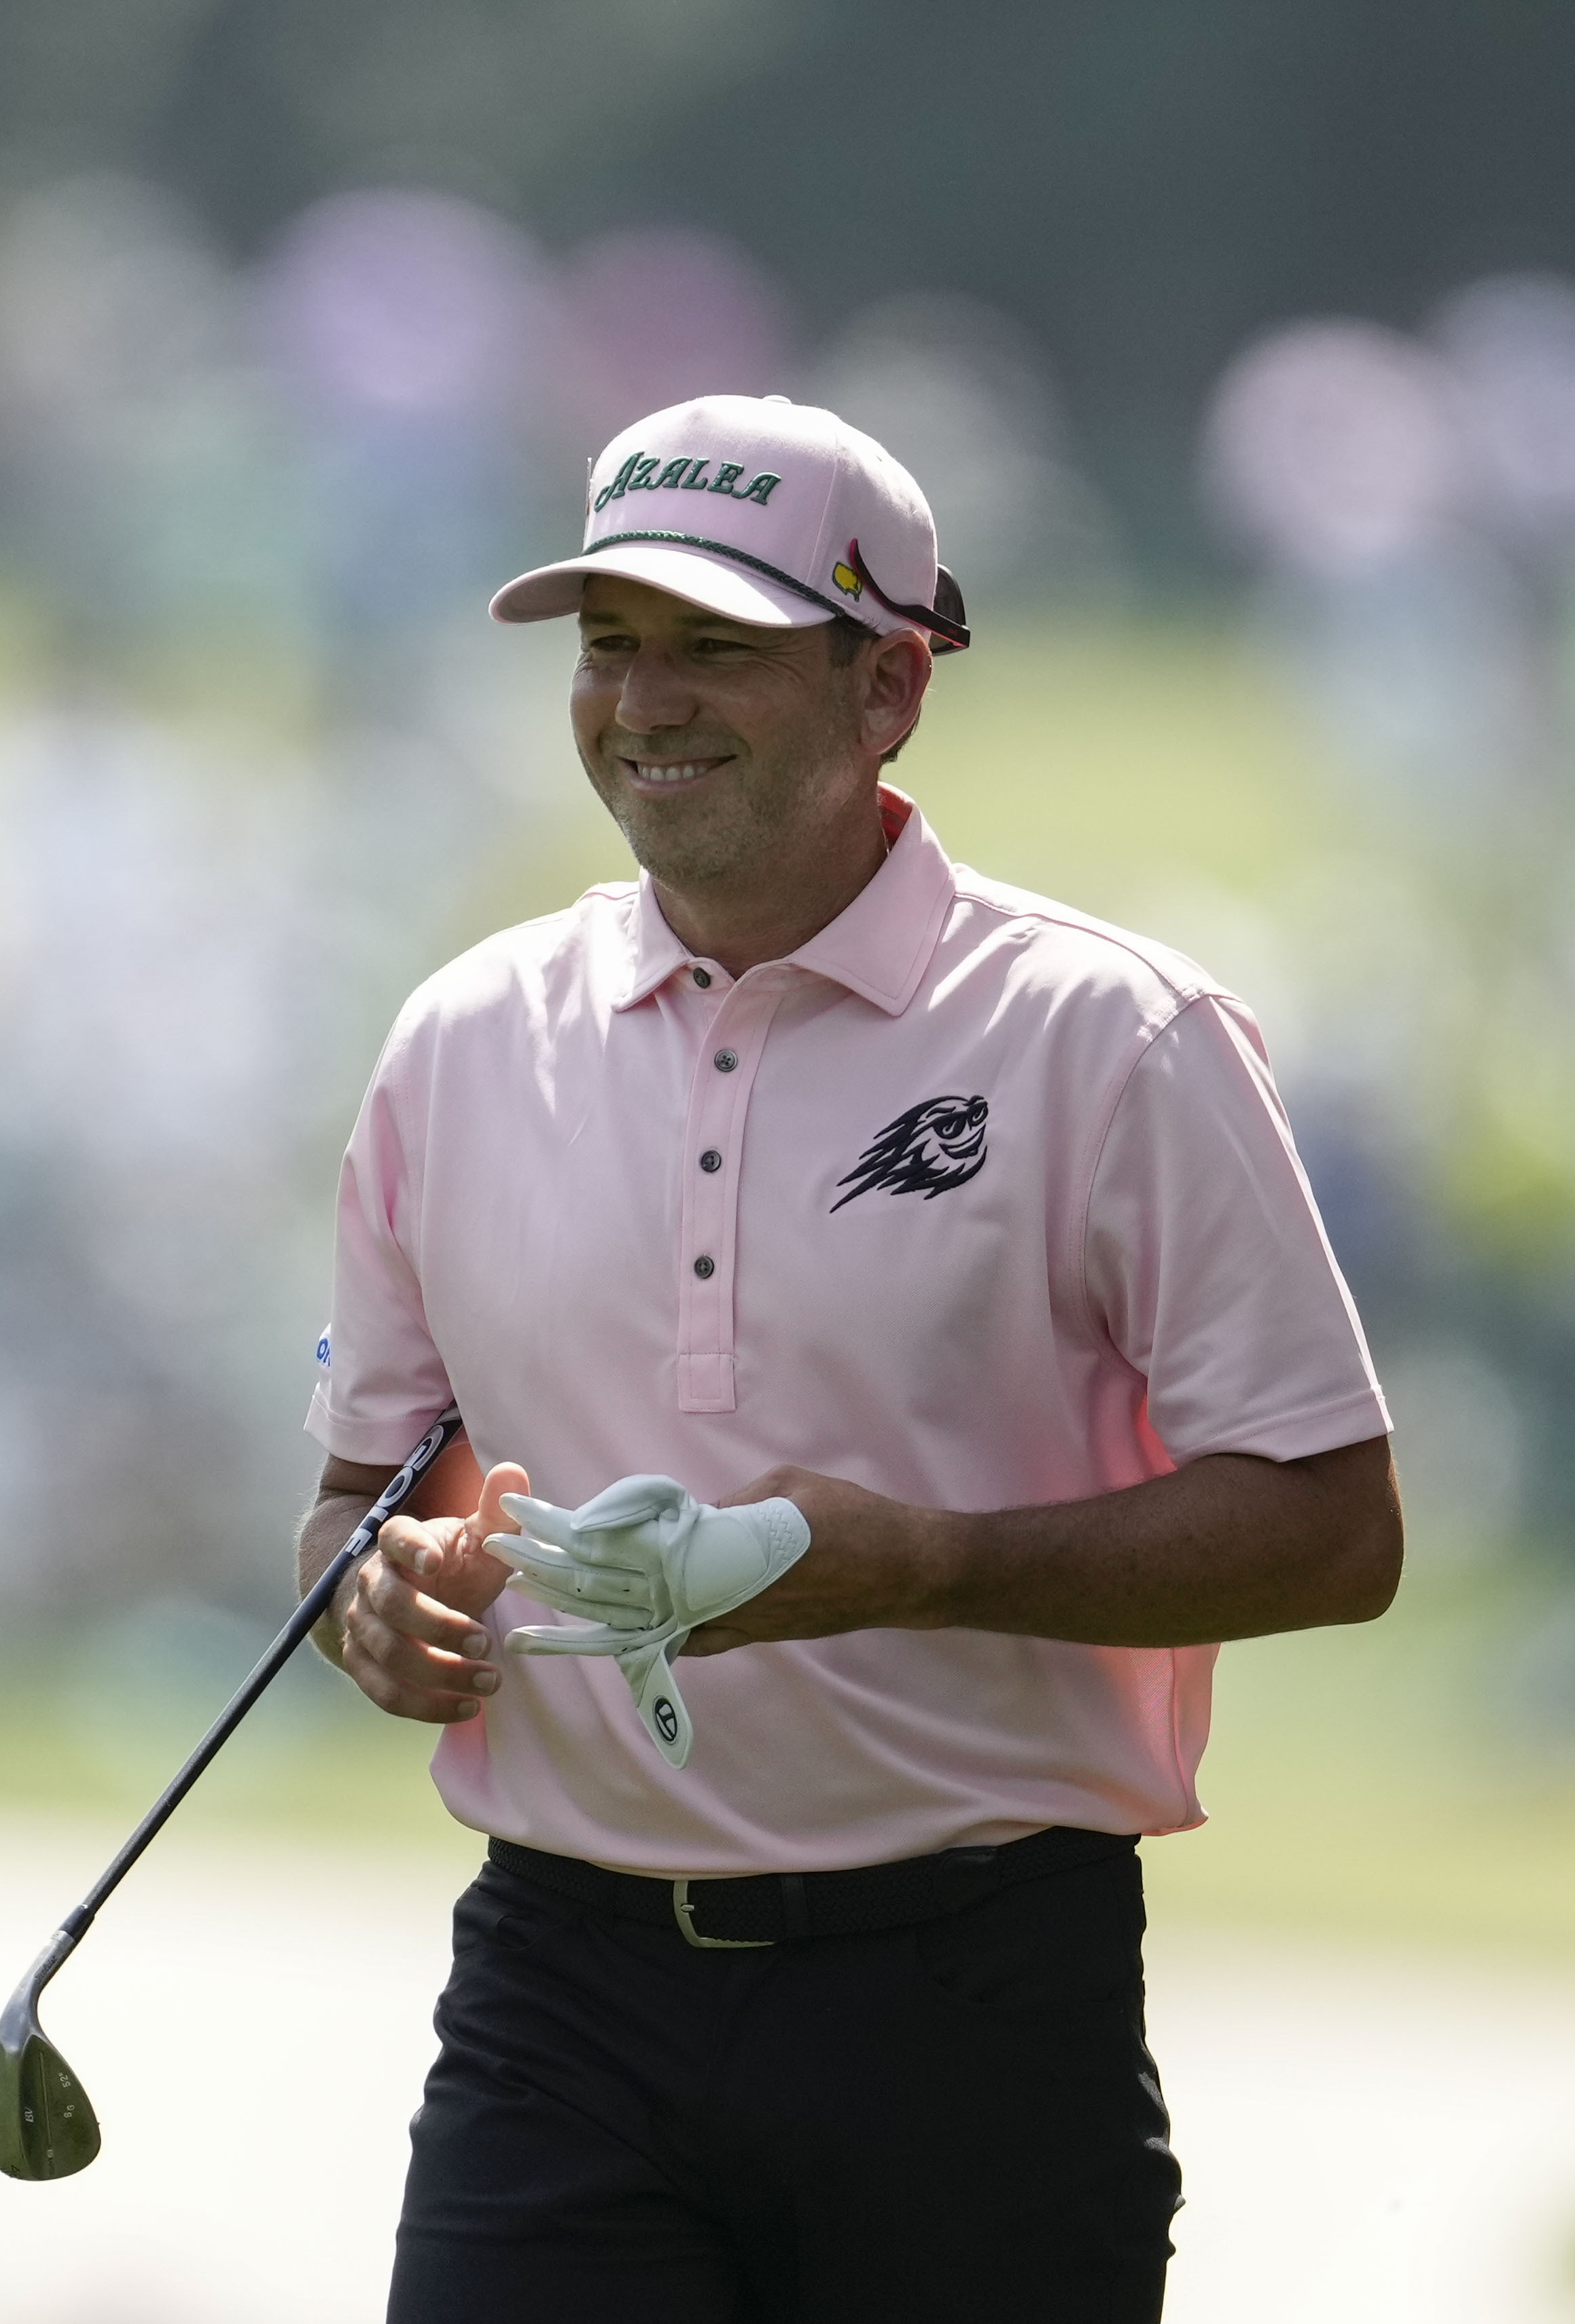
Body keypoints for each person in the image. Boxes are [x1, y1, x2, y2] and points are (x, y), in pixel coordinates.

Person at [302, 391, 1400, 2323]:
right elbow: (367, 1485)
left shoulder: (1110, 1037)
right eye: (610, 645)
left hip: (968, 1993)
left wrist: (922, 1563)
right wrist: (387, 1602)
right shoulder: (461, 1039)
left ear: (888, 683)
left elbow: (1329, 1529)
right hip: (562, 1990)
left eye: (713, 647)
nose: (644, 701)